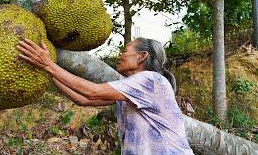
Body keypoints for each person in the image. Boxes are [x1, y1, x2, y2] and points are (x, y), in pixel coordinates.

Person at [17, 37, 194, 155]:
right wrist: (48, 71)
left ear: (142, 56)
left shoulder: (151, 80)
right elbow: (83, 100)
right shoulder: (132, 89)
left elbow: (92, 92)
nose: (120, 55)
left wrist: (48, 64)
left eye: (125, 50)